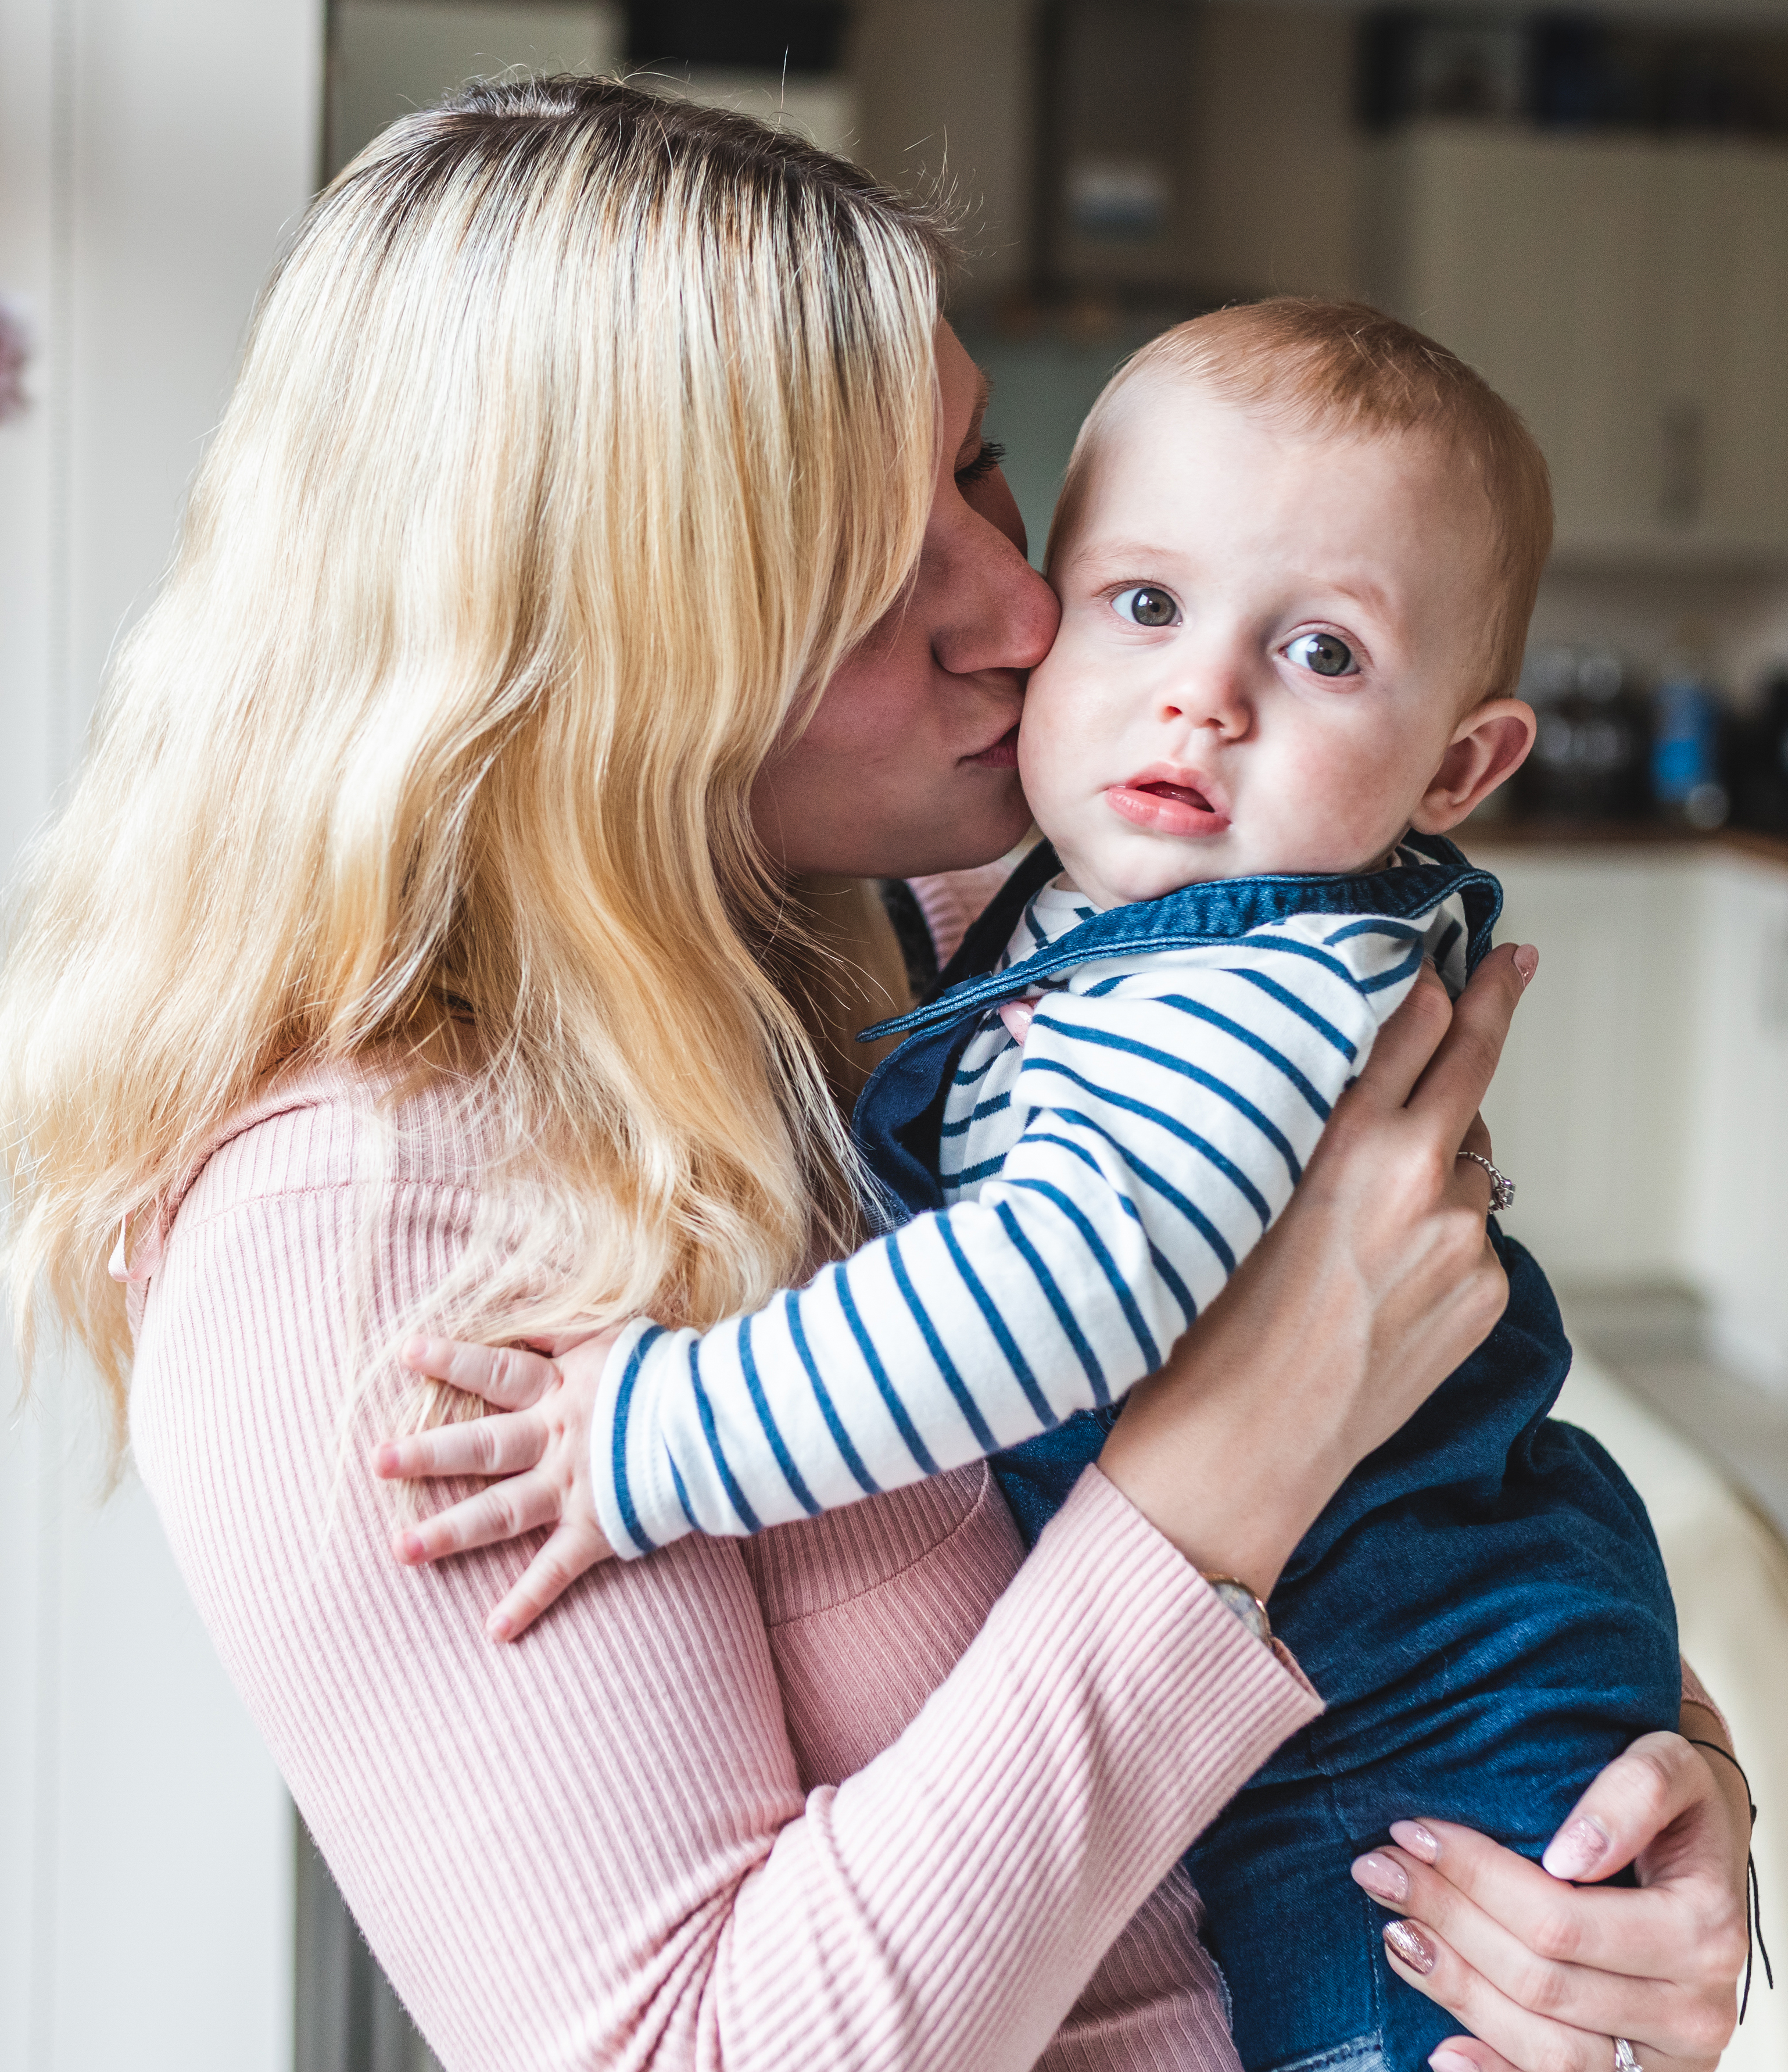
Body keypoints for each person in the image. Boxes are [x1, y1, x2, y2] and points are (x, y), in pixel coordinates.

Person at [0, 77, 1754, 2071]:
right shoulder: (364, 1221)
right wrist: (1234, 1461)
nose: (1026, 606)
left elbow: (1433, 1494)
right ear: (603, 647)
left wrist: (1656, 1808)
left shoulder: (945, 910)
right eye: (860, 561)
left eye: (986, 470)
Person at [387, 299, 1680, 2072]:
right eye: (1144, 603)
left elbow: (1049, 1287)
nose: (1199, 692)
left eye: (1321, 653)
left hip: (1394, 1747)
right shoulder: (1080, 904)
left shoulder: (1255, 980)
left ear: (1458, 768)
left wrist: (651, 1440)